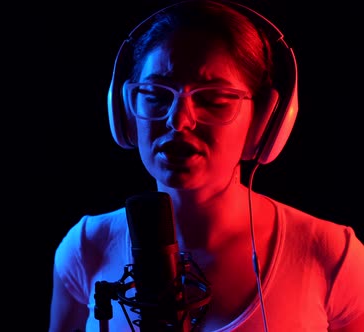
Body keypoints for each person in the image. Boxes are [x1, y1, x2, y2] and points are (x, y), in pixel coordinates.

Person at [48, 0, 364, 331]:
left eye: (213, 100)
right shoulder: (86, 247)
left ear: (265, 120)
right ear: (126, 109)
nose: (179, 121)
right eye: (156, 95)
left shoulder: (331, 255)